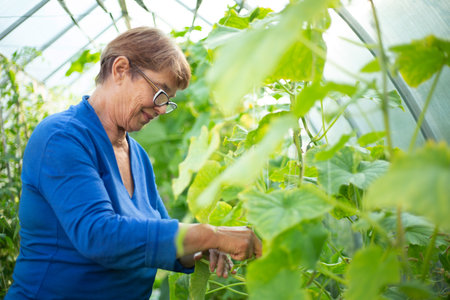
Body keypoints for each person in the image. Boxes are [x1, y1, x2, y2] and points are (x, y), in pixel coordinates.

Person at [6, 27, 262, 299]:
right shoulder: (62, 138)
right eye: (160, 92)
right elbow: (99, 235)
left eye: (168, 101)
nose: (162, 108)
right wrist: (210, 234)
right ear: (120, 69)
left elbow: (160, 238)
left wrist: (203, 249)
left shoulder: (137, 155)